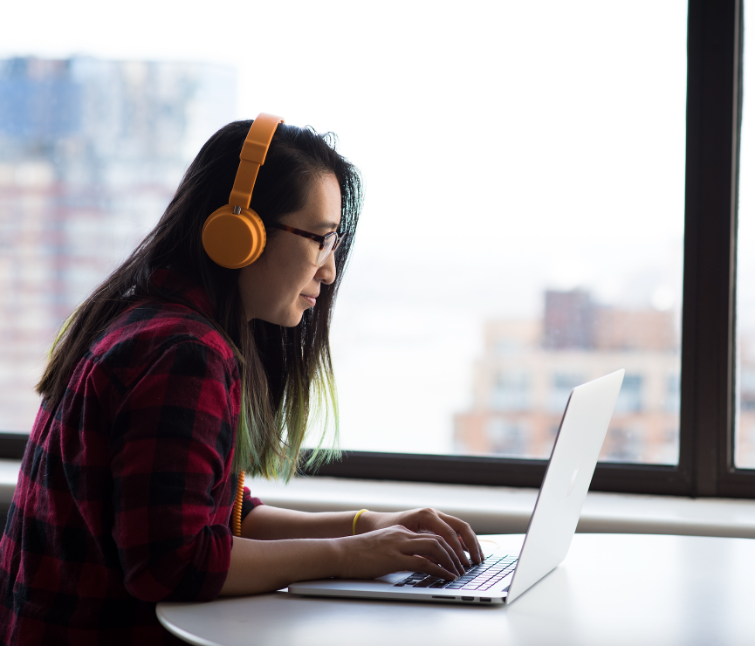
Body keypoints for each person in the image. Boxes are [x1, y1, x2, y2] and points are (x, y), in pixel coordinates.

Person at [0, 116, 483, 645]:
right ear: (239, 232)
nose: (329, 270)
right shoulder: (184, 353)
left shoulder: (147, 319)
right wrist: (350, 557)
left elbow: (220, 516)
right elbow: (172, 563)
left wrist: (365, 526)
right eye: (320, 239)